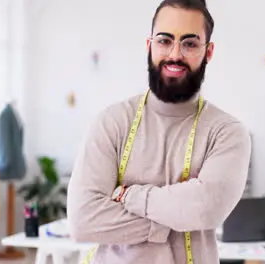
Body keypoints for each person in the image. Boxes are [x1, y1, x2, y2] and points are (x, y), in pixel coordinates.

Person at [66, 0, 252, 263]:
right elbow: (84, 221)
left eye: (189, 43)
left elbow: (205, 209)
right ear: (149, 45)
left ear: (208, 51)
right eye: (165, 41)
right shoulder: (112, 122)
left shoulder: (227, 132)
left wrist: (129, 195)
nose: (175, 54)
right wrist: (166, 223)